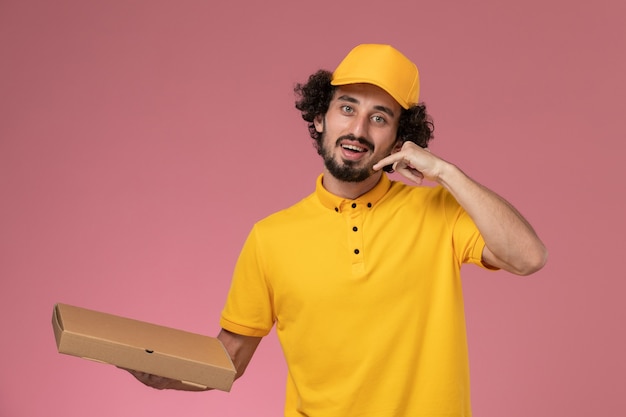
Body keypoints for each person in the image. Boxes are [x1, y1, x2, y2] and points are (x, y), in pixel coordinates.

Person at [129, 44, 548, 416]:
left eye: (379, 118)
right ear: (319, 119)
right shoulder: (271, 237)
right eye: (347, 108)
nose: (359, 131)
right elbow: (229, 360)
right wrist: (165, 373)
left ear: (401, 139)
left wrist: (445, 172)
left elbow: (528, 257)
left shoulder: (440, 211)